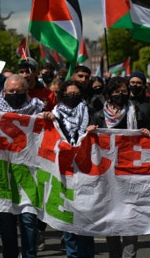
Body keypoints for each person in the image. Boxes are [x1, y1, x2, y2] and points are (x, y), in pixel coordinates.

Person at [0, 74, 44, 258]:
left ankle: (30, 255)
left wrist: (50, 118)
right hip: (4, 175)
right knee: (6, 222)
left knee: (29, 221)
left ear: (26, 91)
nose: (15, 94)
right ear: (3, 92)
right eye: (11, 91)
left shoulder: (38, 110)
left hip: (29, 173)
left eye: (19, 91)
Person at [88, 77, 150, 258]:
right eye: (116, 92)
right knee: (112, 218)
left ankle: (129, 255)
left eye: (124, 91)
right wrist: (90, 133)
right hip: (107, 176)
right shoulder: (98, 115)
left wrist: (147, 134)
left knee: (131, 216)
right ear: (109, 94)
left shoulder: (138, 112)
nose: (120, 95)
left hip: (132, 173)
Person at [50, 80, 95, 258]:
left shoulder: (89, 112)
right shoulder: (54, 114)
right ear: (62, 95)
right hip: (65, 170)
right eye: (69, 93)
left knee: (86, 217)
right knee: (68, 216)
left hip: (86, 169)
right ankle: (73, 254)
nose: (73, 97)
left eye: (76, 94)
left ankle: (87, 254)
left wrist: (93, 131)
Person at [128, 71, 150, 139]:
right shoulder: (124, 102)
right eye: (132, 82)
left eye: (139, 83)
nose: (135, 85)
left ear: (144, 85)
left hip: (145, 143)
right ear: (129, 85)